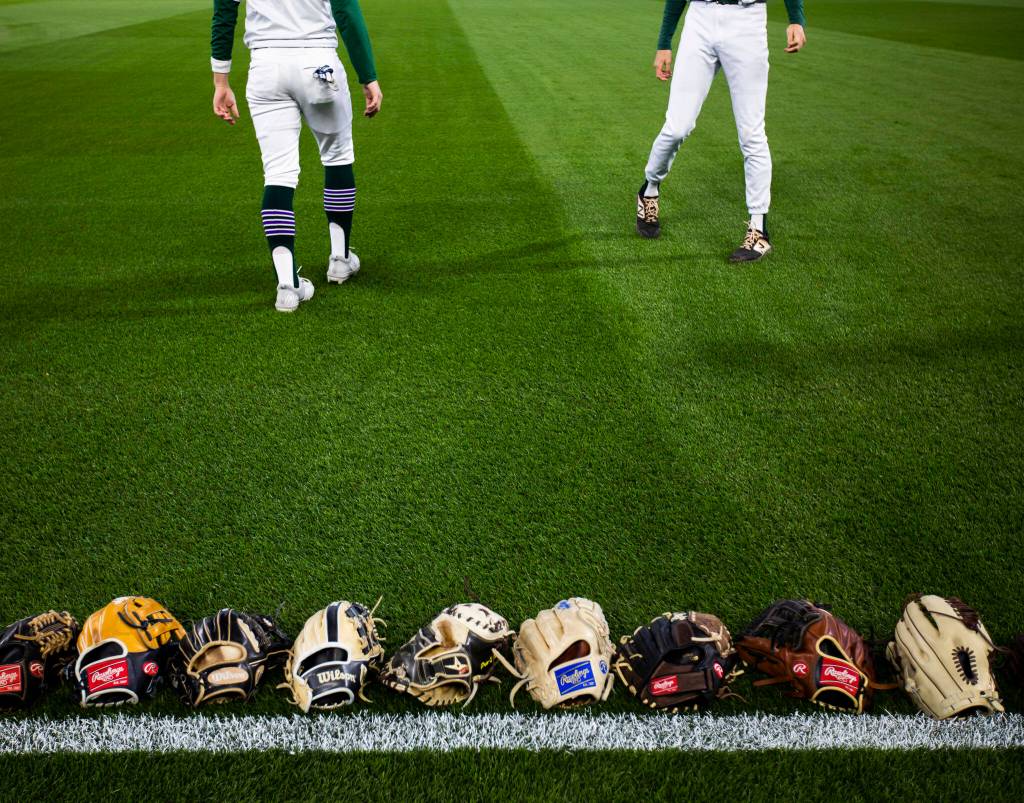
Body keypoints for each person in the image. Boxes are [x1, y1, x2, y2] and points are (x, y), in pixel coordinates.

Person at [210, 0, 382, 312]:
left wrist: (220, 80)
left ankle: (288, 287)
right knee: (338, 157)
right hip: (318, 62)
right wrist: (367, 75)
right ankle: (340, 260)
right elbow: (346, 10)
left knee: (278, 173)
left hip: (266, 69)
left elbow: (224, 10)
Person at [636, 0, 806, 262]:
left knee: (752, 134)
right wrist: (664, 42)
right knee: (677, 127)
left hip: (747, 20)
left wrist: (796, 18)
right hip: (700, 19)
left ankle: (758, 230)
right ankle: (650, 189)